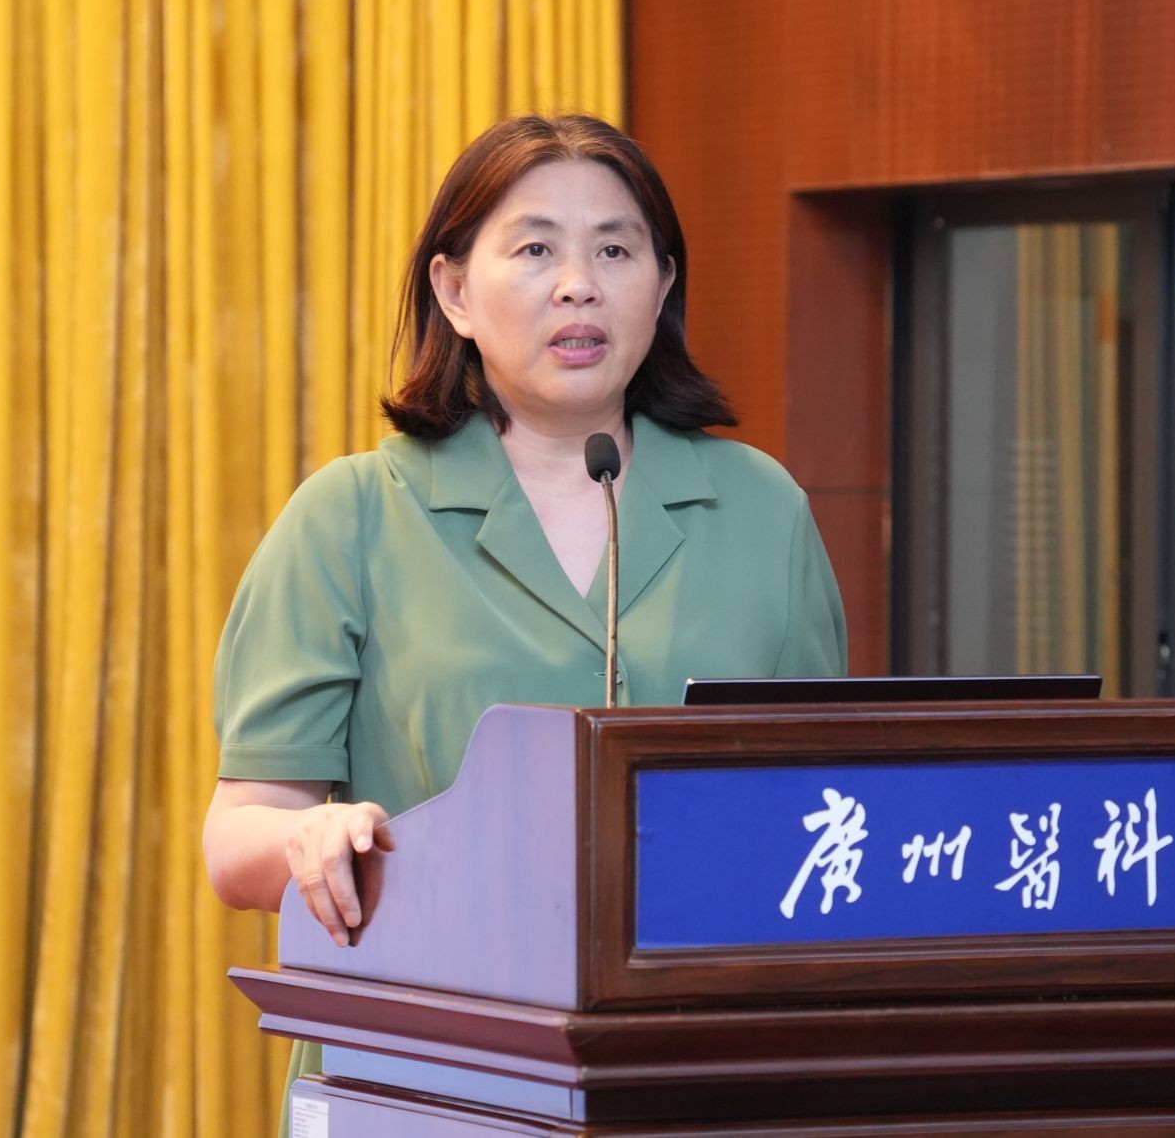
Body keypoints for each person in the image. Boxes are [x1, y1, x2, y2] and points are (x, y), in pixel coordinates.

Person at [200, 112, 847, 1114]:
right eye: (536, 248)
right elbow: (238, 832)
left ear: (662, 285)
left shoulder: (763, 509)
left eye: (615, 250)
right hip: (424, 1073)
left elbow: (829, 798)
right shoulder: (352, 515)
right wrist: (311, 838)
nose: (578, 283)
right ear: (454, 290)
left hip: (702, 1069)